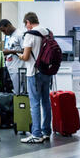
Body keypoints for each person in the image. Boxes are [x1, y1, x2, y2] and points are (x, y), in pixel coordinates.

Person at [18, 12, 51, 144]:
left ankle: (36, 134)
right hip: (47, 71)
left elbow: (26, 57)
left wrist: (18, 55)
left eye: (26, 24)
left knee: (35, 103)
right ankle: (46, 131)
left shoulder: (30, 34)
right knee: (46, 101)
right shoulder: (47, 32)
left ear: (28, 22)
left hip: (34, 72)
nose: (26, 27)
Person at [0, 19, 24, 95]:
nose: (4, 33)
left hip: (18, 69)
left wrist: (10, 52)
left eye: (4, 30)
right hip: (11, 68)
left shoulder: (20, 34)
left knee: (19, 93)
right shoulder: (11, 36)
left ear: (9, 25)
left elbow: (25, 51)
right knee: (15, 93)